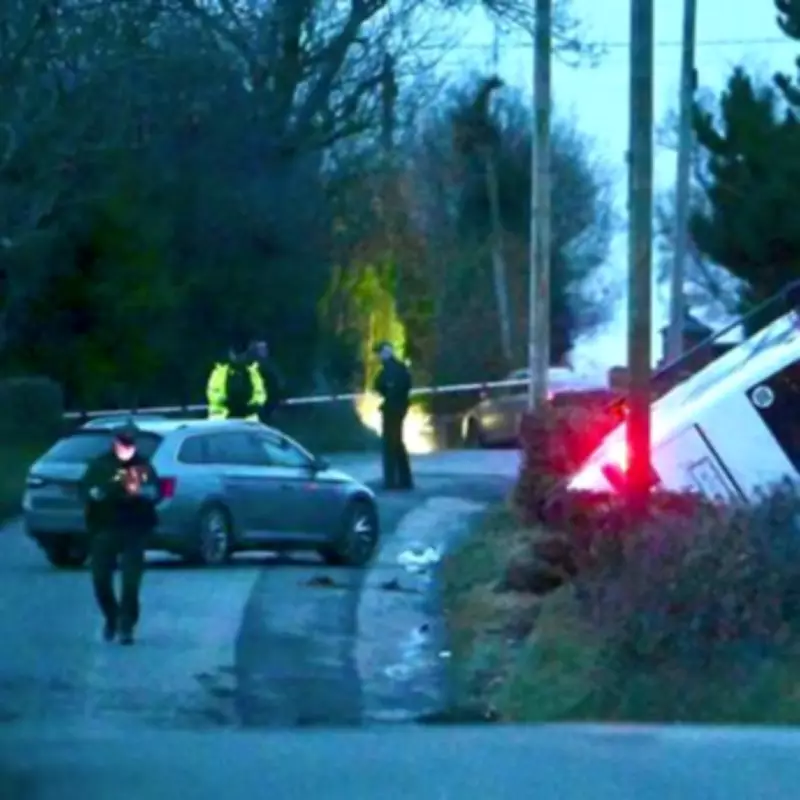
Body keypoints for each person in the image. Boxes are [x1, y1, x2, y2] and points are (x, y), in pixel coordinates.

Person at [81, 425, 162, 645]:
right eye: (123, 441)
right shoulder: (100, 464)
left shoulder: (143, 465)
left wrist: (141, 492)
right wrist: (103, 491)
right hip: (105, 527)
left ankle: (126, 625)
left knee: (130, 581)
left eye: (131, 441)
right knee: (100, 579)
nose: (127, 446)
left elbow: (156, 492)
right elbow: (86, 490)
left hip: (134, 528)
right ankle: (111, 616)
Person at [373, 341, 414, 491]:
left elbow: (379, 385)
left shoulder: (392, 369)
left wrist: (389, 394)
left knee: (390, 444)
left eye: (380, 353)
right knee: (396, 443)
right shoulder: (396, 368)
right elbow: (379, 385)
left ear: (387, 351)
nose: (379, 356)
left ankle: (391, 481)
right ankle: (404, 479)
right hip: (397, 408)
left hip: (393, 409)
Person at [206, 334, 267, 421]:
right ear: (230, 354)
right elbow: (213, 394)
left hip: (248, 420)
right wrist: (227, 403)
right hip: (222, 420)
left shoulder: (253, 372)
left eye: (241, 354)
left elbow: (260, 394)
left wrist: (252, 406)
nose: (238, 357)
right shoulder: (220, 372)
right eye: (235, 354)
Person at [250, 339, 284, 424]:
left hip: (270, 402)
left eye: (264, 349)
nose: (264, 351)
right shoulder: (252, 367)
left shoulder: (270, 366)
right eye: (261, 349)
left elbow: (277, 384)